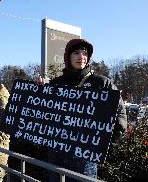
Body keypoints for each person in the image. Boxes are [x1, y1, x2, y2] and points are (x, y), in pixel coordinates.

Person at [38, 38, 127, 180]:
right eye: (76, 53)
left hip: (86, 159)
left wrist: (107, 145)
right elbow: (40, 113)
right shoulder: (56, 84)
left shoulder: (102, 83)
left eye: (85, 53)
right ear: (68, 56)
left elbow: (120, 114)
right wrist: (39, 90)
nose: (81, 57)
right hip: (57, 154)